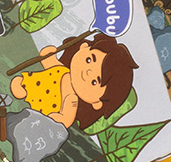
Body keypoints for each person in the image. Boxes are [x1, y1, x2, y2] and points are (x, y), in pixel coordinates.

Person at [9, 32, 137, 131]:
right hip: (35, 85)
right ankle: (23, 89)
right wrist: (48, 57)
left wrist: (59, 119)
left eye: (94, 82)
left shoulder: (72, 100)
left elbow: (65, 118)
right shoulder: (63, 70)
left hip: (43, 108)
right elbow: (50, 64)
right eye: (89, 60)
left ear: (97, 103)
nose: (88, 72)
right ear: (83, 47)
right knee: (21, 84)